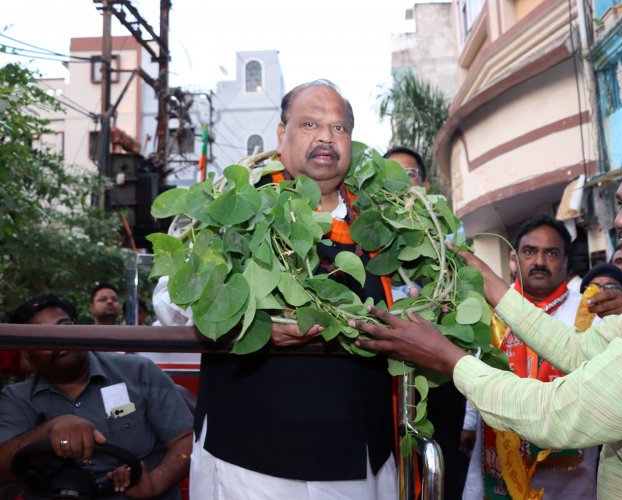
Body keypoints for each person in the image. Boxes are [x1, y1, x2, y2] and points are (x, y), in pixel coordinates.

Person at [351, 137, 622, 497]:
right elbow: (581, 351)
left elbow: (561, 414)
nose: (621, 219)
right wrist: (489, 282)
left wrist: (448, 360)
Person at [160, 80, 397, 498]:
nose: (326, 136)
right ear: (280, 134)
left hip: (355, 460)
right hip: (247, 458)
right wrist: (252, 324)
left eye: (339, 128)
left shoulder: (385, 222)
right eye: (309, 123)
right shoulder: (232, 204)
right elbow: (169, 299)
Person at [459, 215, 607, 500]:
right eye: (530, 251)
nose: (540, 261)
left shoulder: (589, 312)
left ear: (565, 262)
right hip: (500, 454)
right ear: (514, 259)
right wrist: (468, 423)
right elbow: (474, 365)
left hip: (567, 471)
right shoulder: (489, 309)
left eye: (551, 253)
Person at [0, 294, 193, 498]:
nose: (56, 338)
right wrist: (47, 432)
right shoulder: (16, 399)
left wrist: (156, 480)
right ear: (26, 354)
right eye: (41, 336)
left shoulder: (138, 372)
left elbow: (186, 440)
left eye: (64, 326)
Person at [385, 145, 470, 499]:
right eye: (390, 174)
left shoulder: (446, 227)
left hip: (438, 368)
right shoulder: (369, 229)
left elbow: (464, 287)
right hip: (388, 369)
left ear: (425, 182)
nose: (403, 182)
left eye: (410, 174)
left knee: (441, 455)